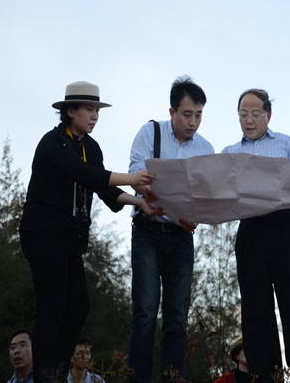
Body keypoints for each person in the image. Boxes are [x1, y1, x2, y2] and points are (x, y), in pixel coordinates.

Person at [19, 82, 158, 383]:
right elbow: (84, 174)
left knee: (79, 305)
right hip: (43, 232)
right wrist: (132, 177)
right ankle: (44, 375)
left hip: (70, 238)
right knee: (53, 305)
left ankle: (58, 370)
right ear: (71, 111)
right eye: (89, 109)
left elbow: (104, 189)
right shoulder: (53, 142)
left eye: (97, 110)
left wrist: (139, 202)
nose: (95, 116)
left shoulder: (91, 147)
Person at [221, 89, 290, 383]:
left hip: (283, 227)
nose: (248, 120)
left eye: (255, 114)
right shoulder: (228, 153)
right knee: (255, 312)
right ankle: (264, 378)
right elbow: (221, 193)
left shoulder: (286, 144)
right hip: (249, 230)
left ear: (268, 115)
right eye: (243, 114)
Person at [128, 75, 215, 383]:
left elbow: (208, 195)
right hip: (148, 232)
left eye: (199, 115)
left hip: (182, 236)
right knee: (145, 313)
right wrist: (146, 191)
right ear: (172, 111)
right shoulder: (150, 133)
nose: (193, 122)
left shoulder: (206, 148)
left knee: (177, 318)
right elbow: (135, 171)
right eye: (187, 114)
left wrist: (197, 217)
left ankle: (173, 379)